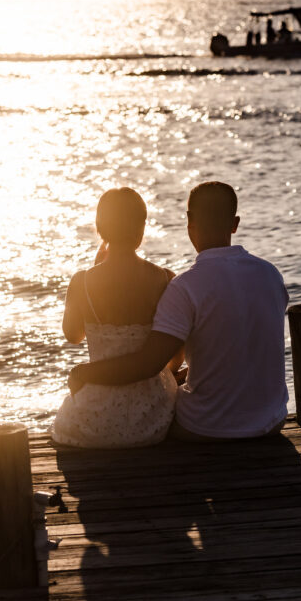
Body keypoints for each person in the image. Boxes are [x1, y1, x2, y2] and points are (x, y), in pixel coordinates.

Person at [68, 182, 289, 441]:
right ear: (235, 223)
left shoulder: (186, 286)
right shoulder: (270, 275)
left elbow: (148, 365)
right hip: (271, 422)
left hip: (207, 427)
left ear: (189, 221)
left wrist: (83, 373)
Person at [51, 188, 182, 448]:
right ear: (141, 228)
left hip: (95, 419)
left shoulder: (82, 282)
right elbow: (175, 357)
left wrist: (92, 276)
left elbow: (73, 335)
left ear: (100, 229)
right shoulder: (165, 280)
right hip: (152, 418)